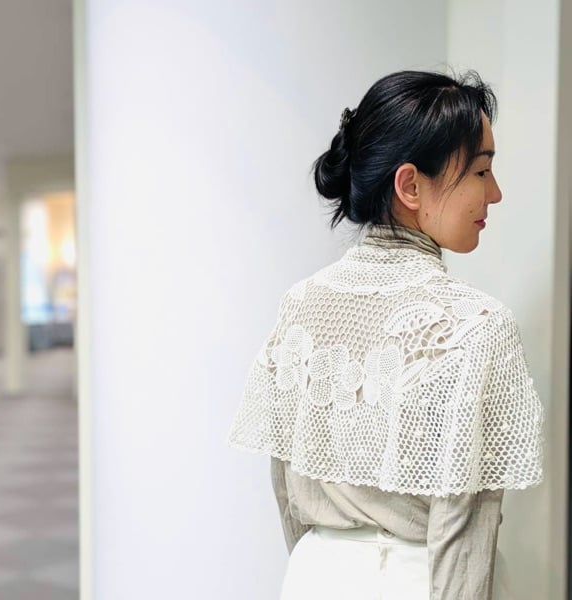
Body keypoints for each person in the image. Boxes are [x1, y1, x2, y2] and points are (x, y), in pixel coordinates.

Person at [227, 69, 544, 600]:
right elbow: (463, 528)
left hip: (312, 578)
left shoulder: (300, 306)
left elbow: (286, 489)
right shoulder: (478, 325)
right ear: (410, 186)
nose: (495, 193)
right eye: (481, 171)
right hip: (420, 583)